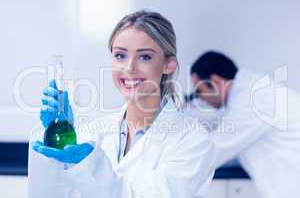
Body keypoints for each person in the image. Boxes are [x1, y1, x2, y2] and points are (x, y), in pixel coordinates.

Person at [28, 11, 216, 198]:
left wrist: (89, 166)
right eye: (120, 56)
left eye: (144, 57)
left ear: (168, 65)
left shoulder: (194, 142)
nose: (129, 68)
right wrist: (53, 137)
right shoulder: (93, 132)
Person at [184, 51, 300, 198]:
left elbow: (214, 151)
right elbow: (218, 123)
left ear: (216, 81)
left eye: (199, 91)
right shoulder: (249, 93)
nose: (201, 99)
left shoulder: (253, 99)